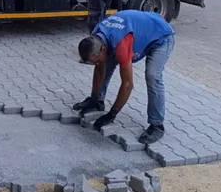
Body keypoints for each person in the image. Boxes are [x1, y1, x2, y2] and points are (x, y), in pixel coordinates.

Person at [75, 10, 175, 144]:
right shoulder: (97, 36)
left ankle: (157, 125)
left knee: (152, 75)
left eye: (97, 60)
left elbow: (128, 85)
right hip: (141, 28)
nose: (97, 64)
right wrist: (94, 97)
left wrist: (112, 114)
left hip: (161, 35)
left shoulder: (120, 44)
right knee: (105, 63)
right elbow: (99, 69)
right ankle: (97, 101)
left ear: (103, 49)